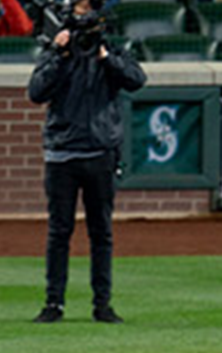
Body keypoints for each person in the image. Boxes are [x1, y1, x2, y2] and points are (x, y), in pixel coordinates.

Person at [27, 0, 145, 324]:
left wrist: (105, 57)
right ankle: (54, 303)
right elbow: (36, 92)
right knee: (59, 232)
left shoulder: (111, 51)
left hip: (100, 151)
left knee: (101, 232)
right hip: (62, 152)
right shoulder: (55, 51)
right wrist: (58, 54)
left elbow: (137, 79)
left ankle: (102, 304)